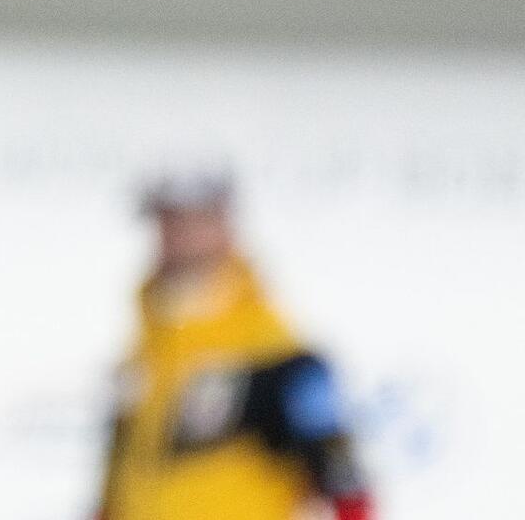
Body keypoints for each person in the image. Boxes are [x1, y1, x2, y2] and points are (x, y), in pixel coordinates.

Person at [97, 171, 375, 520]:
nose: (176, 240)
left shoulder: (281, 361)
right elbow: (114, 491)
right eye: (167, 224)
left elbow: (350, 493)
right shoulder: (144, 358)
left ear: (225, 227)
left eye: (192, 224)